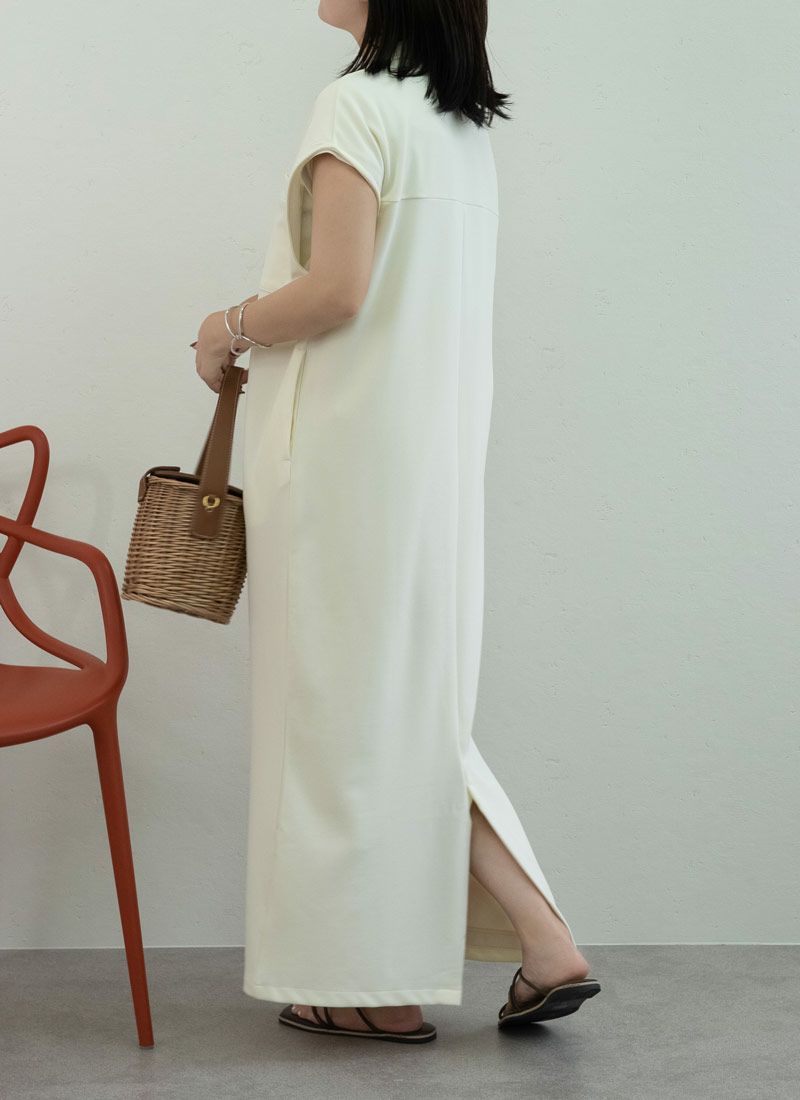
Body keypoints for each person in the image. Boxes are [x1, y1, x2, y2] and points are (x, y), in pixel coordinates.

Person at [192, 0, 600, 1044]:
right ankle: (531, 941)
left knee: (340, 723)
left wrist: (226, 325)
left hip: (340, 460)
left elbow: (337, 290)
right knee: (403, 714)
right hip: (429, 465)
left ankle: (374, 987)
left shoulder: (356, 106)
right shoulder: (456, 126)